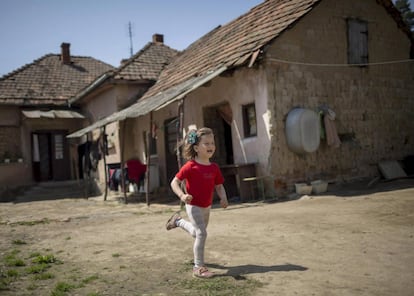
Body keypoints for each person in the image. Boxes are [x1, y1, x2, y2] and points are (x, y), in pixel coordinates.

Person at [166, 127, 228, 278]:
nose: (210, 146)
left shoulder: (214, 167)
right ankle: (198, 267)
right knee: (202, 233)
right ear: (196, 148)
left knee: (196, 233)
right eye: (206, 143)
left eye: (212, 143)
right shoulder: (190, 166)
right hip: (193, 206)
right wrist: (182, 195)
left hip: (207, 206)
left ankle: (178, 221)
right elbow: (174, 182)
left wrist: (223, 197)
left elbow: (219, 185)